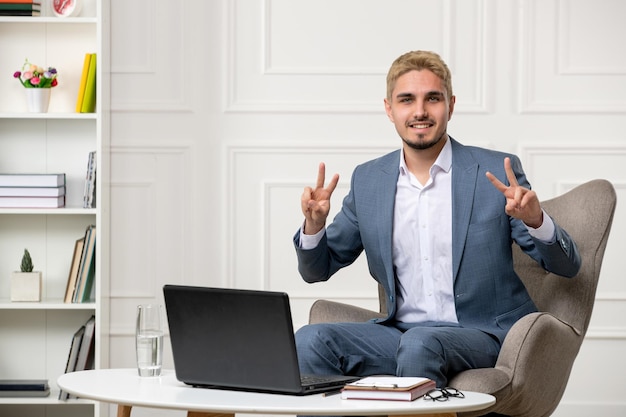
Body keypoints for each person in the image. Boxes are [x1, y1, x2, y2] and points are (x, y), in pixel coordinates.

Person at [292, 50, 581, 388]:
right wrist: (313, 228)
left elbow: (568, 266)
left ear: (451, 105)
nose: (420, 111)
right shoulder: (369, 180)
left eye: (433, 98)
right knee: (311, 339)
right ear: (389, 109)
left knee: (422, 342)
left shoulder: (495, 172)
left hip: (485, 332)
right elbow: (316, 271)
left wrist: (536, 220)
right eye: (406, 100)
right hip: (399, 334)